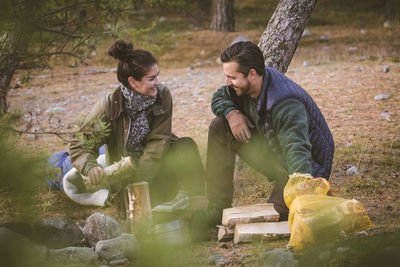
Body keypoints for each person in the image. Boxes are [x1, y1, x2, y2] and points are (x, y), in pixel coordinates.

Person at [68, 40, 208, 240]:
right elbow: (79, 144)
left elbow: (159, 141)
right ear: (133, 82)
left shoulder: (162, 95)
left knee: (186, 146)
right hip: (128, 177)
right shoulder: (108, 106)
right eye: (152, 78)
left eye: (158, 75)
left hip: (153, 167)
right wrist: (90, 166)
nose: (158, 82)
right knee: (146, 222)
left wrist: (144, 179)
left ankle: (199, 216)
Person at [206, 41, 334, 224]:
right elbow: (219, 97)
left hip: (302, 167)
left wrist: (303, 194)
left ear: (251, 74)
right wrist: (232, 114)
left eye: (232, 78)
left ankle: (318, 195)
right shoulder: (244, 84)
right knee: (220, 126)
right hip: (274, 152)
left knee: (273, 217)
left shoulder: (286, 103)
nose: (227, 83)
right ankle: (217, 207)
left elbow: (297, 149)